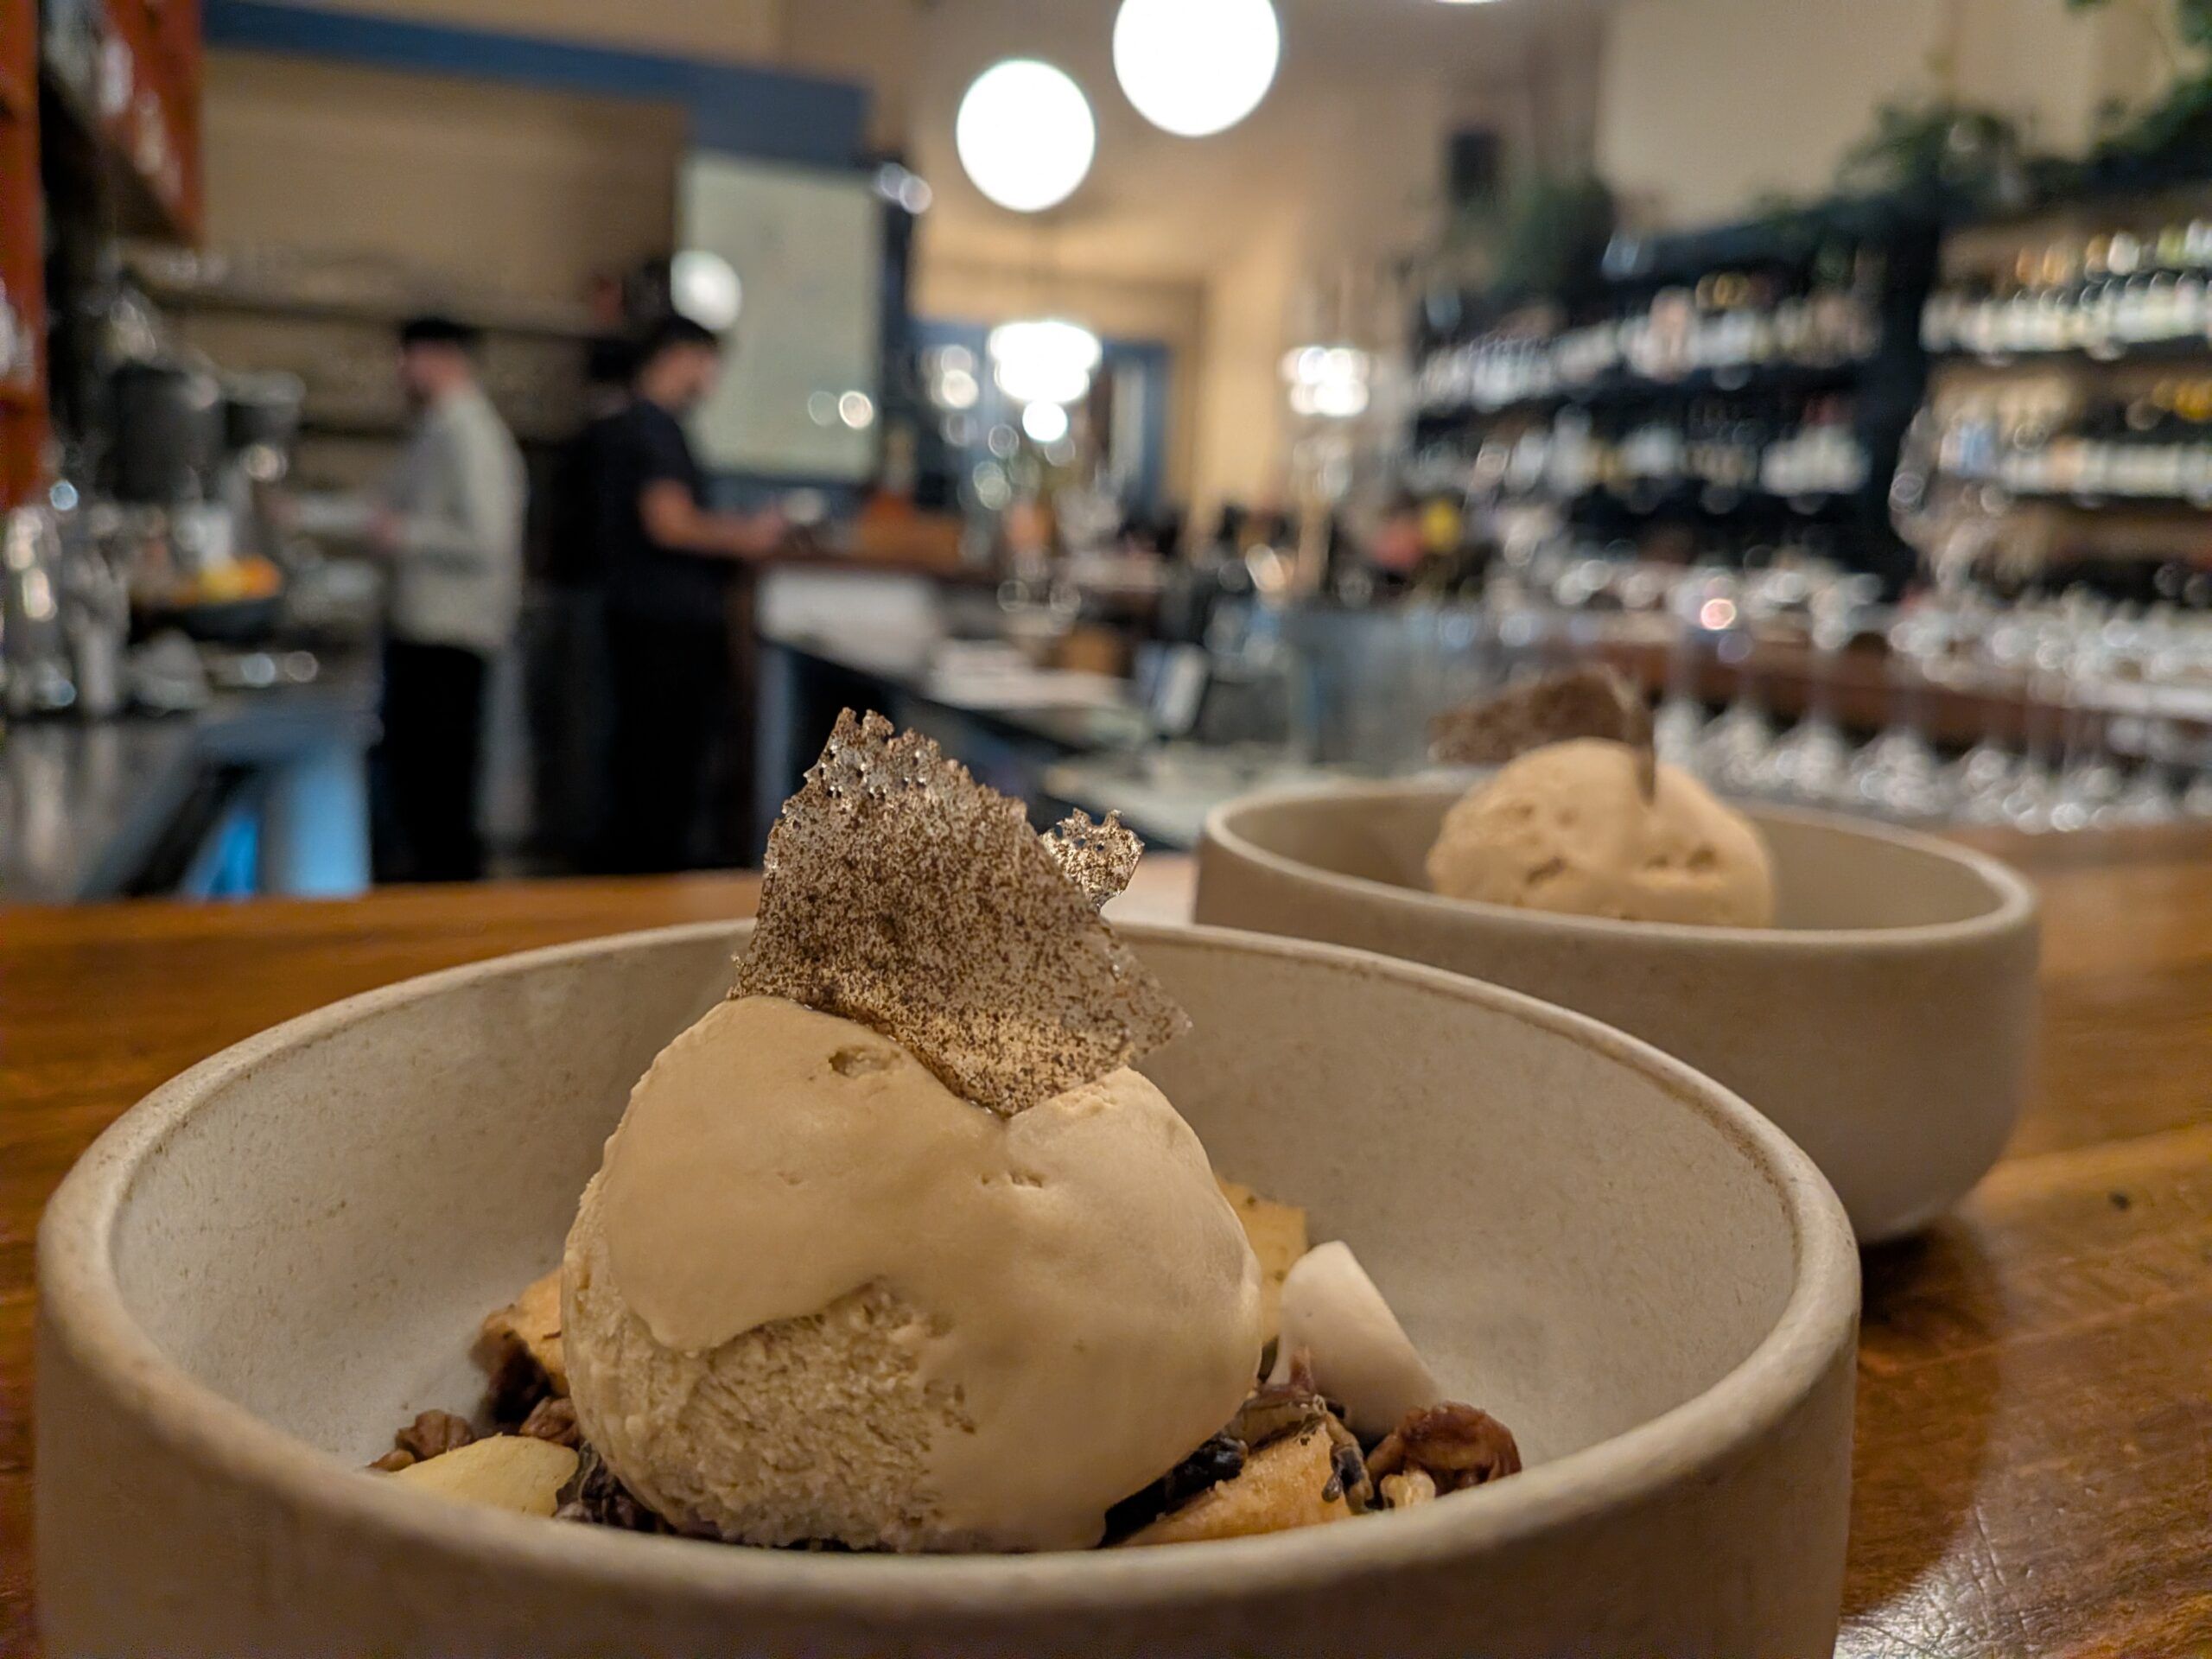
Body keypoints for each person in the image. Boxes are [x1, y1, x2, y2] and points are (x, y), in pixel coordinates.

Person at [593, 315, 784, 874]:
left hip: (640, 619)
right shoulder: (653, 428)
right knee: (662, 770)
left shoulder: (631, 424)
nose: (712, 378)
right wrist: (746, 535)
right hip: (665, 628)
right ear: (679, 357)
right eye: (708, 362)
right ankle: (650, 897)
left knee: (643, 764)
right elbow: (669, 523)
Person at [369, 315, 526, 882]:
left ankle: (447, 924)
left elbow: (489, 538)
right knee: (427, 791)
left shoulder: (468, 432)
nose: (401, 372)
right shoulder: (440, 428)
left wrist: (401, 534)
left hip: (450, 635)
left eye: (407, 356)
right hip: (428, 630)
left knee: (441, 794)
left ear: (439, 357)